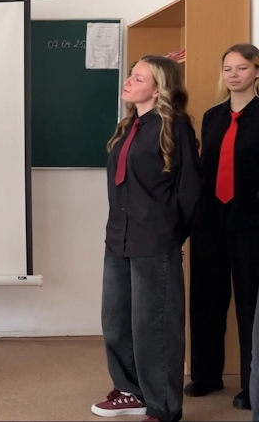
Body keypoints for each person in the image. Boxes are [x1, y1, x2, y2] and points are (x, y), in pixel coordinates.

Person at [90, 55, 201, 422]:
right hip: (118, 238)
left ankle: (163, 406)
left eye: (139, 78)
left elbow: (190, 190)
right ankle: (130, 391)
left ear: (157, 90)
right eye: (131, 75)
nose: (128, 81)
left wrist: (171, 234)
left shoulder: (175, 128)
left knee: (154, 326)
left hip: (155, 240)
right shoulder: (127, 127)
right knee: (116, 321)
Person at [186, 43, 259, 412]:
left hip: (250, 223)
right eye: (228, 68)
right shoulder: (213, 116)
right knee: (206, 300)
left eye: (242, 68)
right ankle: (206, 375)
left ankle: (250, 385)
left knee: (249, 305)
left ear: (256, 72)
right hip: (210, 223)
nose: (233, 75)